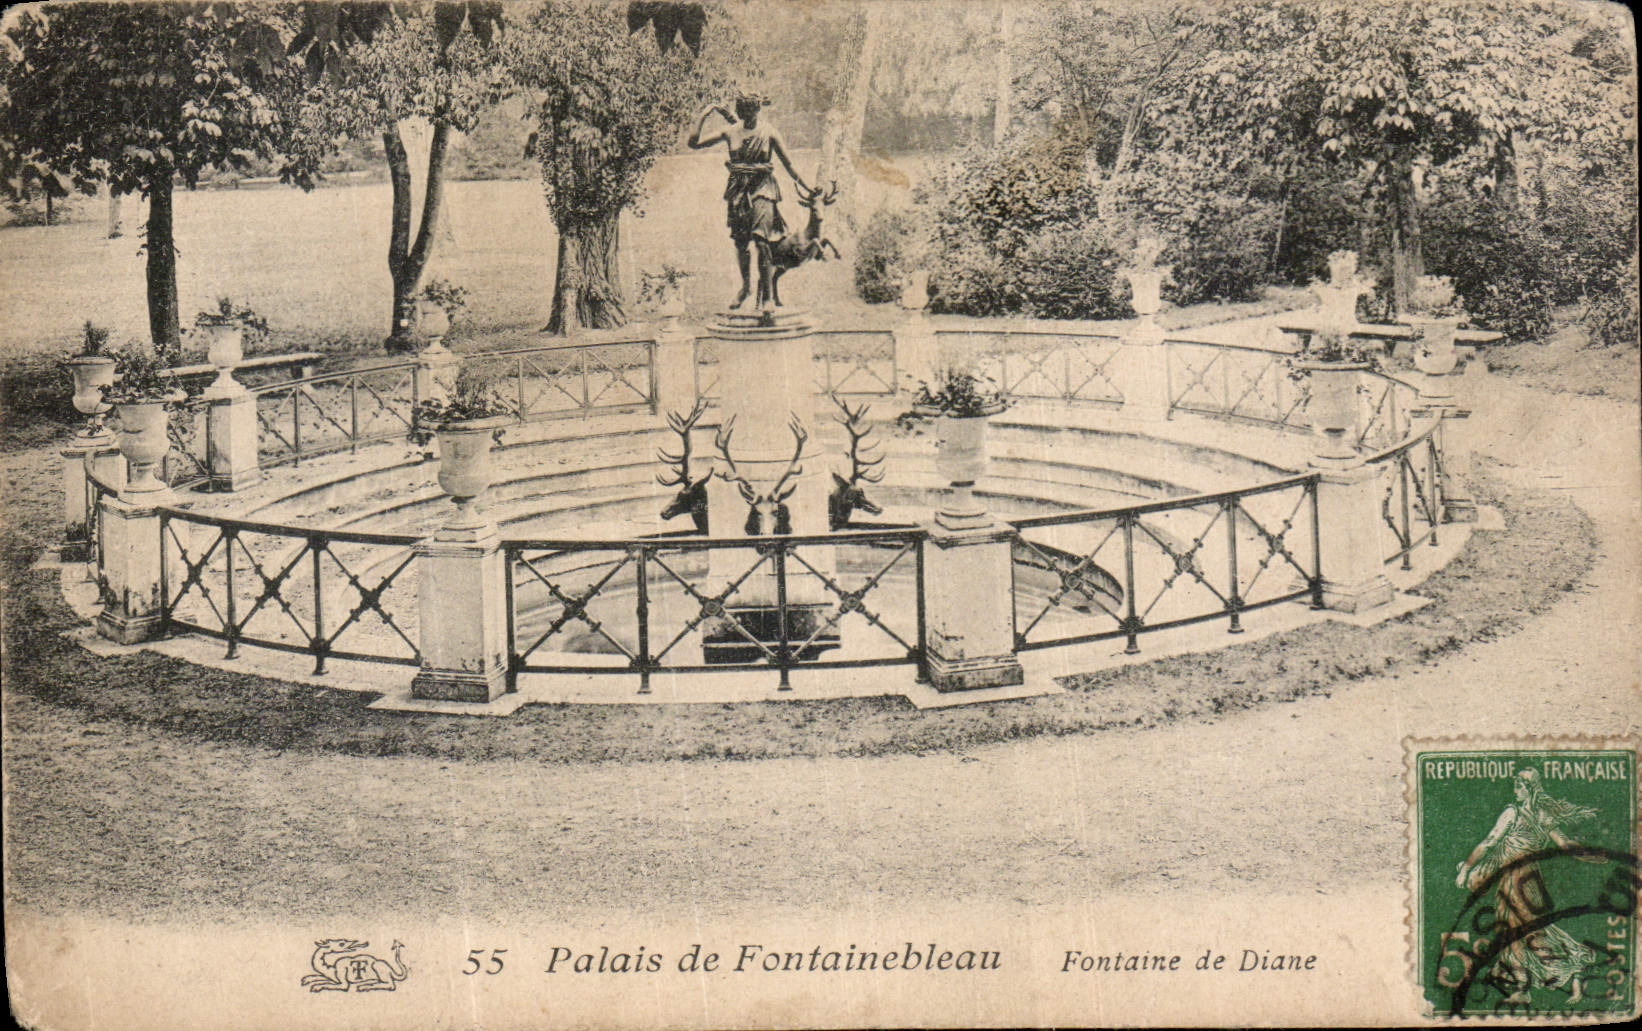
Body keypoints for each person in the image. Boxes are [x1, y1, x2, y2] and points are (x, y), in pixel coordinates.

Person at [1454, 768, 1603, 1006]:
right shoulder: (1542, 815)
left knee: (1514, 931)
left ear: (1528, 788)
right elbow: (1564, 843)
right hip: (1532, 880)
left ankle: (1526, 987)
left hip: (1514, 879)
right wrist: (1588, 854)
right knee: (1534, 930)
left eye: (1518, 785)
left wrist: (1466, 869)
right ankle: (1572, 973)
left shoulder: (1512, 813)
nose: (1514, 790)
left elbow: (1489, 842)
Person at [687, 93, 808, 314]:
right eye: (743, 113)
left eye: (751, 112)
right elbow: (693, 143)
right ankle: (745, 288)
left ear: (757, 111)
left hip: (764, 189)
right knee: (741, 243)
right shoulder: (730, 131)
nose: (748, 117)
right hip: (738, 191)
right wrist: (704, 114)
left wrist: (807, 187)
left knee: (762, 240)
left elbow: (789, 164)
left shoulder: (769, 131)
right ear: (740, 113)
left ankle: (768, 297)